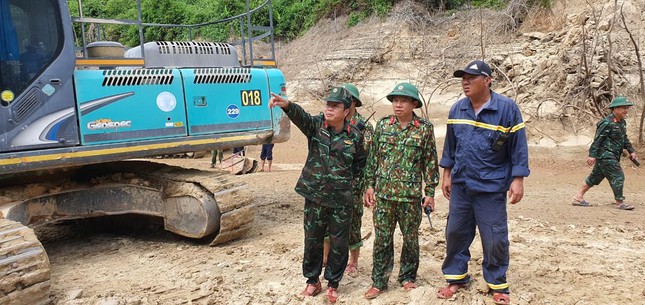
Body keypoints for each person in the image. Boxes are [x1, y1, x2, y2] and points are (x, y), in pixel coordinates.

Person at [437, 60, 530, 305]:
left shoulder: (507, 109)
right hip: (462, 185)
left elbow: (518, 146)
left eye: (471, 78)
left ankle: (497, 283)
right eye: (463, 78)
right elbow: (450, 146)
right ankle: (456, 277)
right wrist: (447, 175)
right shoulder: (457, 109)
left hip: (491, 186)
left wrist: (517, 179)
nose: (465, 82)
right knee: (455, 233)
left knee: (494, 237)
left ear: (487, 80)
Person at [269, 86, 367, 303]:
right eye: (328, 105)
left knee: (339, 243)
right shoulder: (316, 127)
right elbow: (300, 116)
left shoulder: (356, 136)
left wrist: (354, 189)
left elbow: (362, 166)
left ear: (346, 110)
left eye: (335, 106)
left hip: (341, 200)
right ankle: (312, 281)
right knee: (312, 240)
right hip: (315, 196)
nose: (329, 109)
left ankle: (333, 283)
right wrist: (286, 105)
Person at [362, 82, 439, 299]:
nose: (398, 104)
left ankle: (407, 277)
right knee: (382, 239)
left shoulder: (424, 128)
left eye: (403, 100)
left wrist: (430, 192)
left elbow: (430, 162)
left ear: (414, 103)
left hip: (410, 196)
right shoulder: (384, 125)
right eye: (395, 100)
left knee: (410, 239)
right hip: (384, 196)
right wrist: (370, 185)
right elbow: (373, 158)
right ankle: (379, 281)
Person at [321, 83, 374, 277]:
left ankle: (353, 261)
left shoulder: (364, 126)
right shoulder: (330, 123)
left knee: (353, 222)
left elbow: (368, 159)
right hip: (330, 183)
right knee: (327, 220)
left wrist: (369, 186)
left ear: (352, 103)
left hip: (353, 184)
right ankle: (325, 257)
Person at [572, 96, 638, 210]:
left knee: (594, 178)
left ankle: (578, 197)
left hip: (612, 156)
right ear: (615, 109)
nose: (626, 110)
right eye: (623, 108)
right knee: (618, 176)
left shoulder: (622, 123)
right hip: (606, 156)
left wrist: (631, 151)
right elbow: (598, 140)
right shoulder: (606, 123)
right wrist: (592, 155)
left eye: (627, 108)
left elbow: (624, 139)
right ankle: (619, 202)